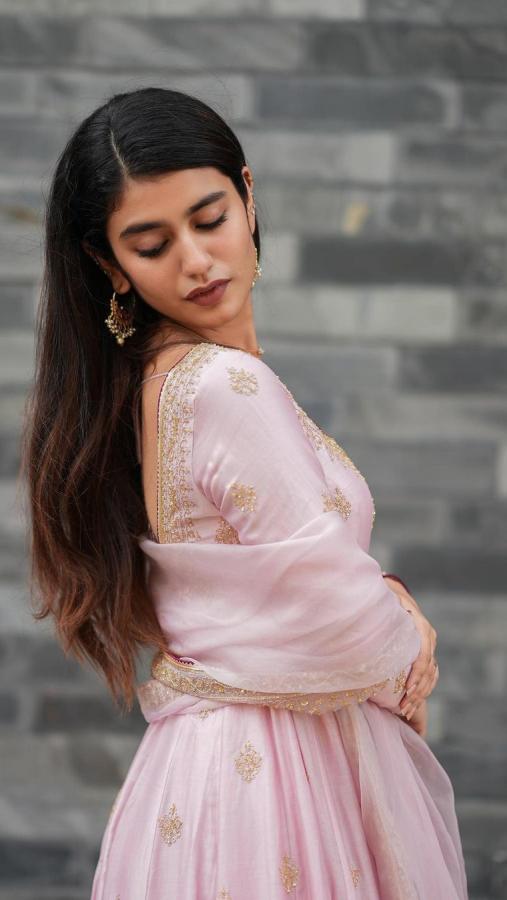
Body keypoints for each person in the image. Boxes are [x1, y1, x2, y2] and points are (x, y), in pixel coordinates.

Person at [20, 87, 468, 899]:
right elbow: (332, 606)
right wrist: (405, 640)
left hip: (202, 775)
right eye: (151, 244)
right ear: (109, 263)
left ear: (248, 196)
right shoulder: (224, 386)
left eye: (210, 218)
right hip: (280, 779)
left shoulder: (146, 383)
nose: (196, 260)